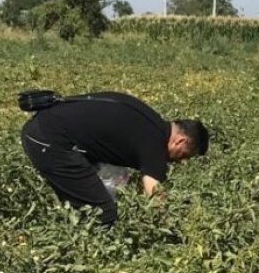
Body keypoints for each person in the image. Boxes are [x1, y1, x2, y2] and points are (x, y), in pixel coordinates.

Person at [20, 91, 209, 225]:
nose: (180, 162)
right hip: (47, 141)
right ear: (180, 141)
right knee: (104, 213)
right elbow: (156, 197)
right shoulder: (155, 146)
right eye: (184, 156)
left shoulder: (151, 121)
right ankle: (84, 253)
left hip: (45, 127)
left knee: (114, 184)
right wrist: (178, 229)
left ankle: (71, 214)